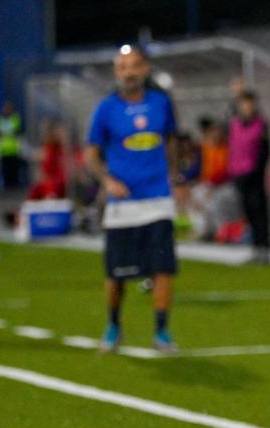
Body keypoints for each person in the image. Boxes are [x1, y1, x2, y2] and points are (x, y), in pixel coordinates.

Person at [86, 44, 180, 353]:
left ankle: (162, 331)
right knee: (116, 274)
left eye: (135, 66)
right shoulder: (106, 109)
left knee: (163, 267)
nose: (130, 72)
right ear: (117, 72)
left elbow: (171, 142)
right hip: (122, 206)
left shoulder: (161, 104)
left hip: (158, 201)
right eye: (124, 67)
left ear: (146, 69)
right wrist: (107, 181)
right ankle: (113, 325)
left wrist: (175, 177)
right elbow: (91, 154)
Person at [228, 90, 270, 264]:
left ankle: (264, 250)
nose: (246, 107)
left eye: (249, 103)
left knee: (260, 212)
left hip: (254, 176)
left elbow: (266, 150)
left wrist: (257, 170)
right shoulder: (234, 124)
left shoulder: (261, 125)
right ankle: (255, 248)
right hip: (238, 175)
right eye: (243, 103)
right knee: (247, 213)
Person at [0, 100, 22, 189]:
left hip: (14, 150)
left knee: (14, 172)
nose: (7, 110)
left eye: (9, 108)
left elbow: (17, 130)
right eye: (5, 108)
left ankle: (14, 188)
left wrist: (4, 132)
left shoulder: (15, 119)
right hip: (3, 150)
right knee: (5, 172)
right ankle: (7, 188)